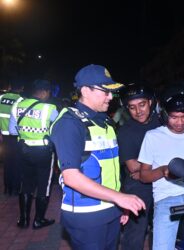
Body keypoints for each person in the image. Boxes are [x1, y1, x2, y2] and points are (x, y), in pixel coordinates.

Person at [49, 64, 145, 250]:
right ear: (85, 90)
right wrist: (119, 198)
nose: (111, 97)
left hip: (110, 211)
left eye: (111, 92)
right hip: (87, 218)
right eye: (105, 91)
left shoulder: (105, 123)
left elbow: (112, 171)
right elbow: (71, 177)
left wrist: (118, 205)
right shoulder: (70, 123)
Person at [139, 93, 184, 250]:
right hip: (166, 197)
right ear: (164, 116)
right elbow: (143, 176)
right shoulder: (152, 137)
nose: (179, 122)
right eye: (174, 117)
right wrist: (163, 170)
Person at [9, 79, 58, 229]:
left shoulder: (17, 105)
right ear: (44, 92)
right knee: (44, 185)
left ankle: (23, 220)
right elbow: (56, 131)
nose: (49, 95)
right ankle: (38, 220)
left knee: (27, 184)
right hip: (43, 152)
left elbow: (12, 131)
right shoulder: (50, 109)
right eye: (48, 92)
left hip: (24, 151)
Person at [118, 84, 161, 250]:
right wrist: (164, 165)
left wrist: (148, 168)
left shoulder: (164, 122)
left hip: (167, 179)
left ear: (150, 102)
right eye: (132, 107)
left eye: (142, 104)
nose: (138, 111)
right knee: (136, 230)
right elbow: (133, 167)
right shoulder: (126, 131)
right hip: (139, 184)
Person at [0, 79, 24, 195]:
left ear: (9, 86)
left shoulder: (1, 98)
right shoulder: (20, 101)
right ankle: (15, 188)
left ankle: (7, 187)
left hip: (3, 137)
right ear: (22, 88)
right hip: (15, 137)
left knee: (7, 162)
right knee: (17, 162)